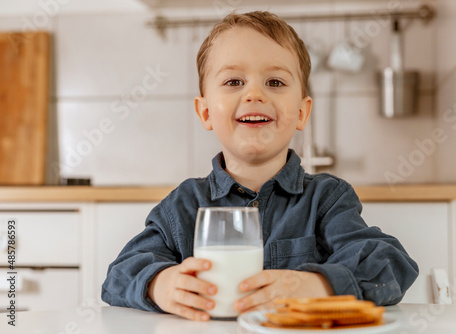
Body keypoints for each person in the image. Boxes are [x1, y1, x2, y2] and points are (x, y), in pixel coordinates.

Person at [101, 11, 418, 322]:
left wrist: (318, 285)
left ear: (302, 112)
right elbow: (118, 276)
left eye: (275, 81)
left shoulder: (327, 199)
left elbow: (391, 265)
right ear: (206, 112)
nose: (254, 94)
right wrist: (160, 285)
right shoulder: (183, 205)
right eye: (234, 81)